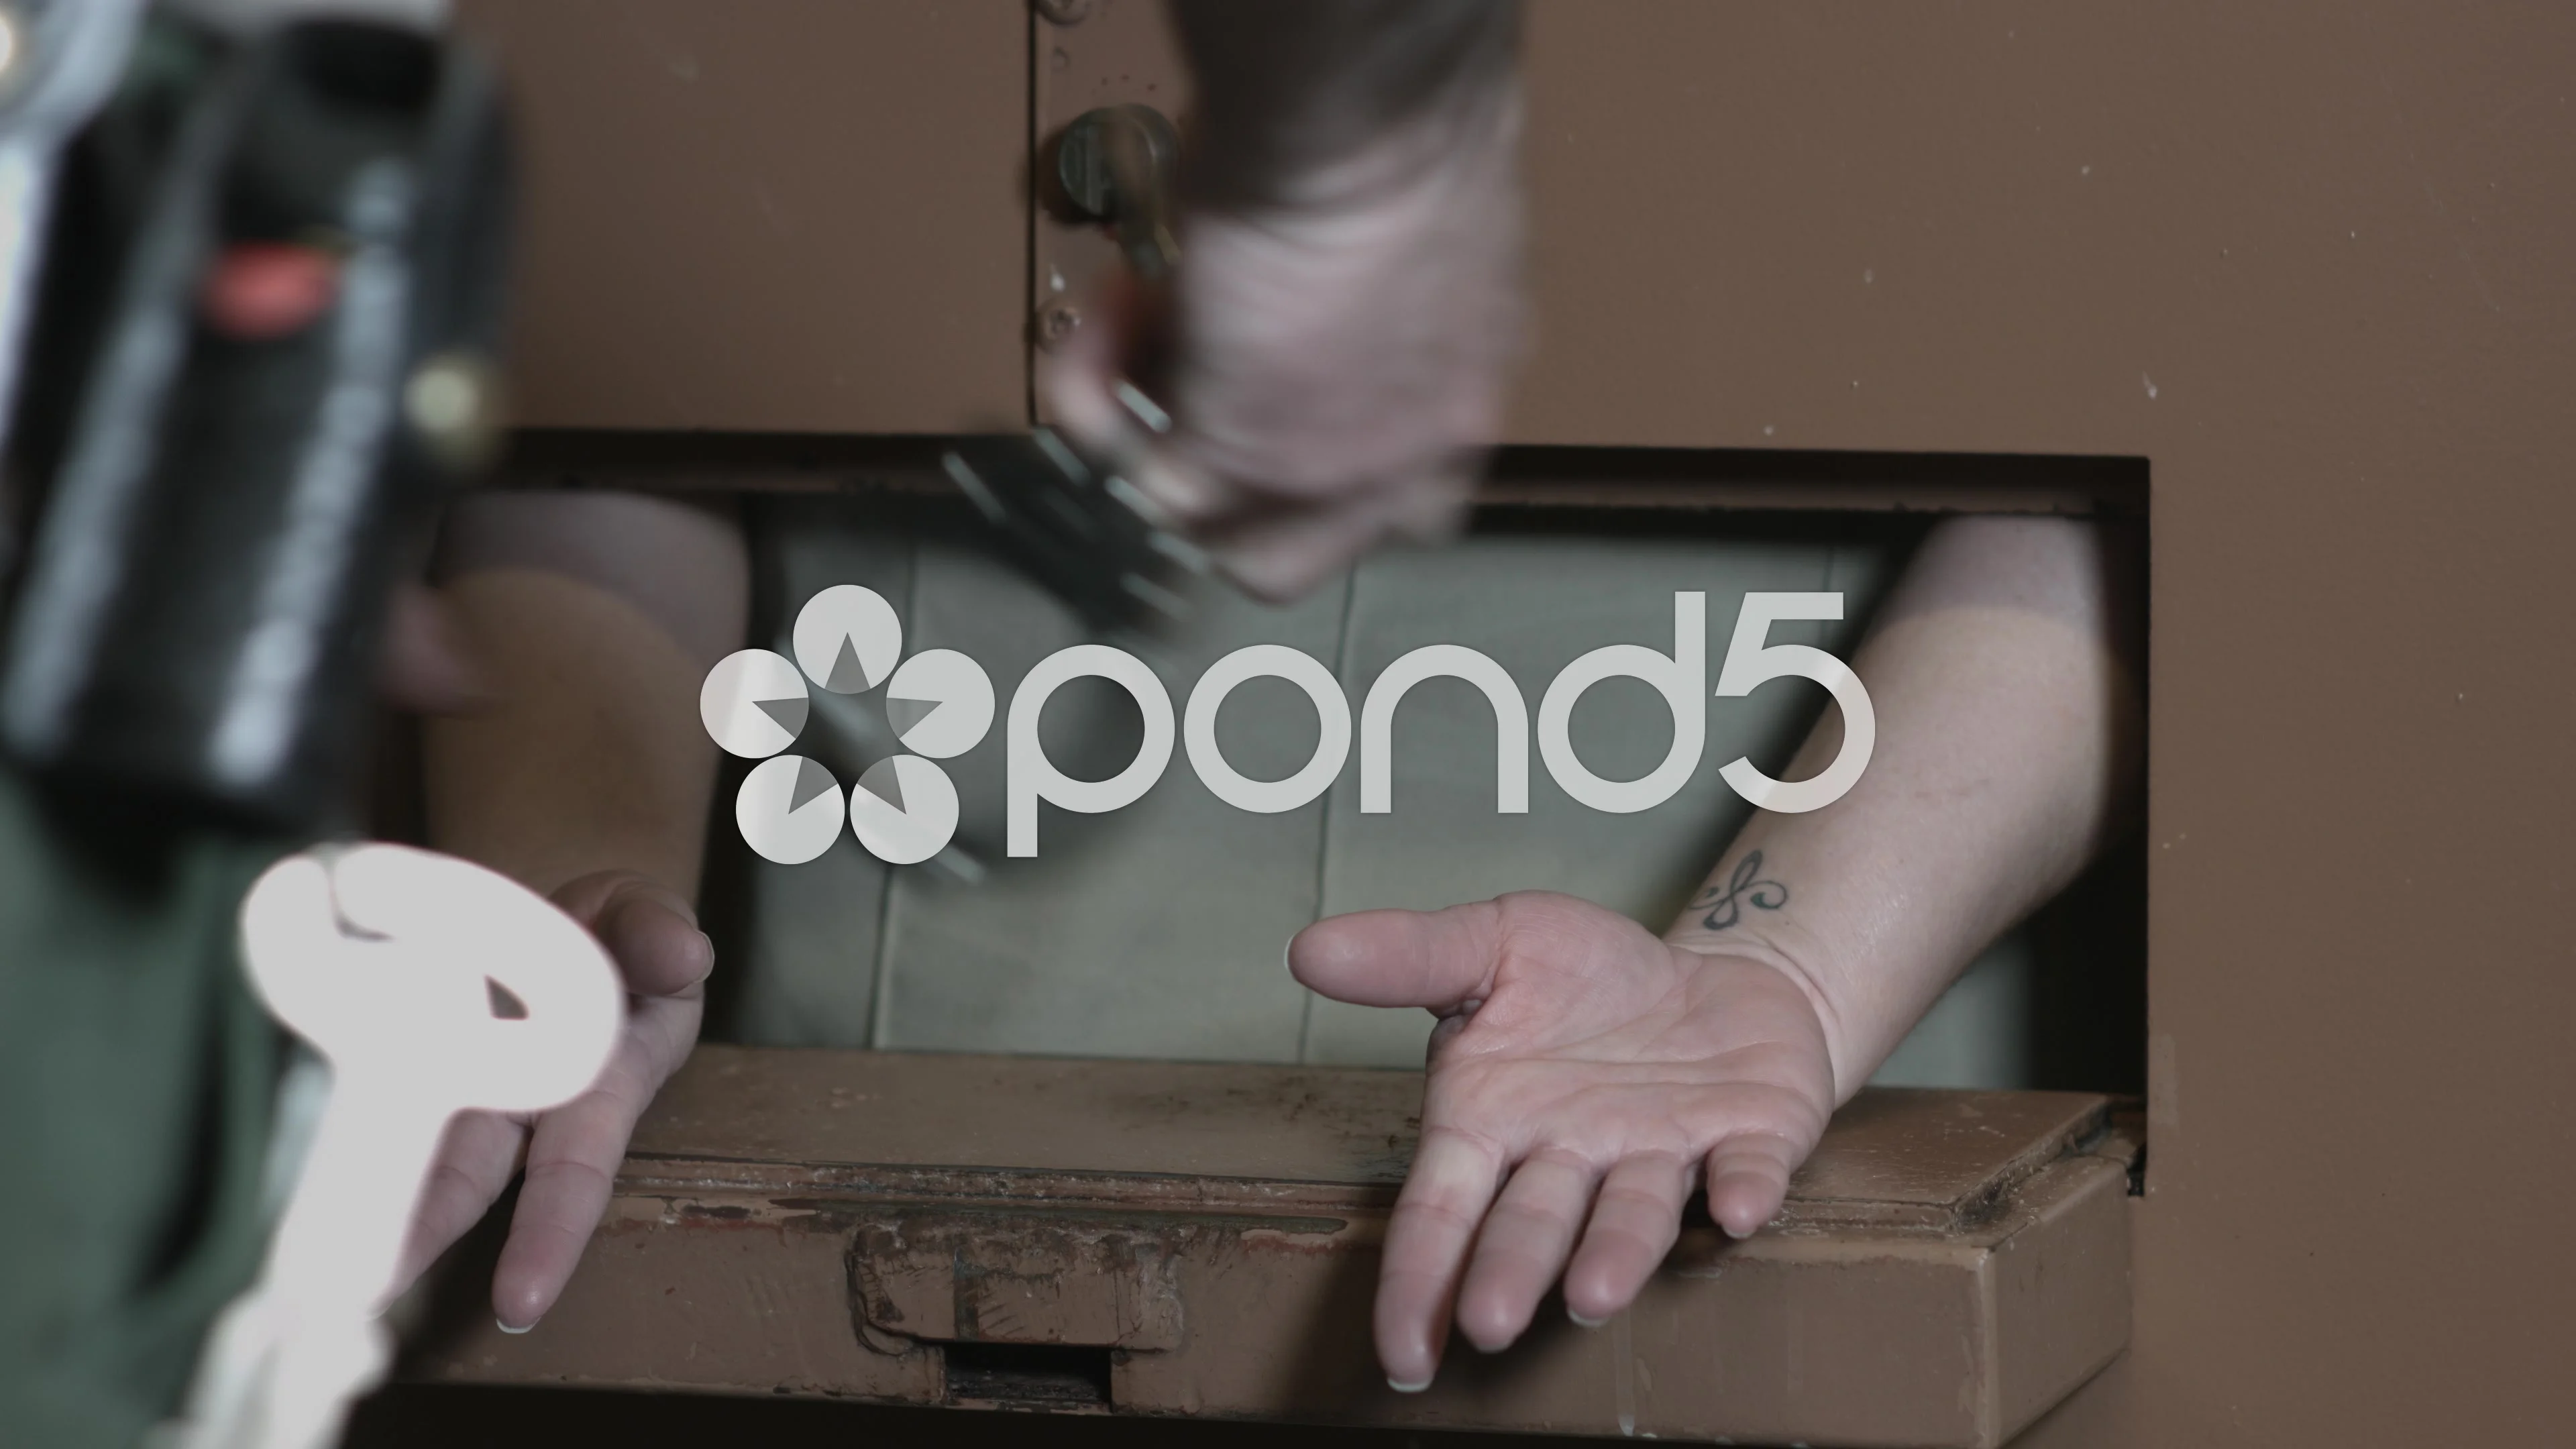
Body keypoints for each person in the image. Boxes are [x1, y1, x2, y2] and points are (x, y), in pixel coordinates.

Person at [407, 0, 2142, 1397]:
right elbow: (618, 328)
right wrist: (561, 878)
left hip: (1746, 1111)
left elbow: (2148, 376)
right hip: (879, 1123)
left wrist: (1789, 966)